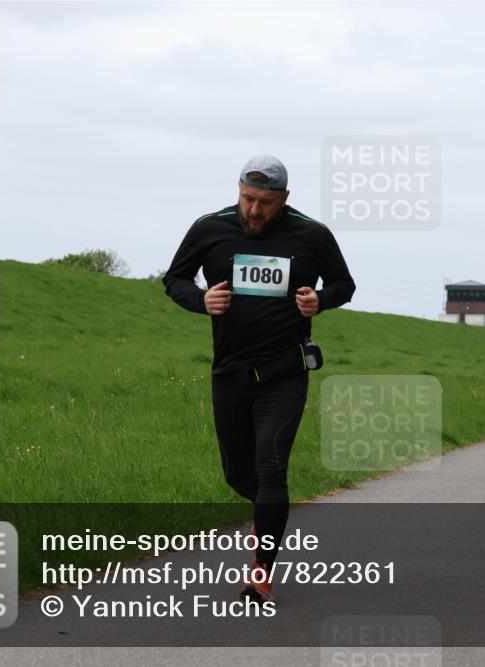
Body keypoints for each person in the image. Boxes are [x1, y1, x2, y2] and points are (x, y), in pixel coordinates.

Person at [162, 155, 356, 604]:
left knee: (271, 466)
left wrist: (318, 301)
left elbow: (344, 284)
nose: (254, 210)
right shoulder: (210, 229)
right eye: (248, 199)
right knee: (238, 474)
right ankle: (271, 512)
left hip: (284, 373)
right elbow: (175, 277)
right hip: (229, 372)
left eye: (266, 202)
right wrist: (199, 298)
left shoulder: (311, 235)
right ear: (238, 190)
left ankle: (260, 573)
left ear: (284, 200)